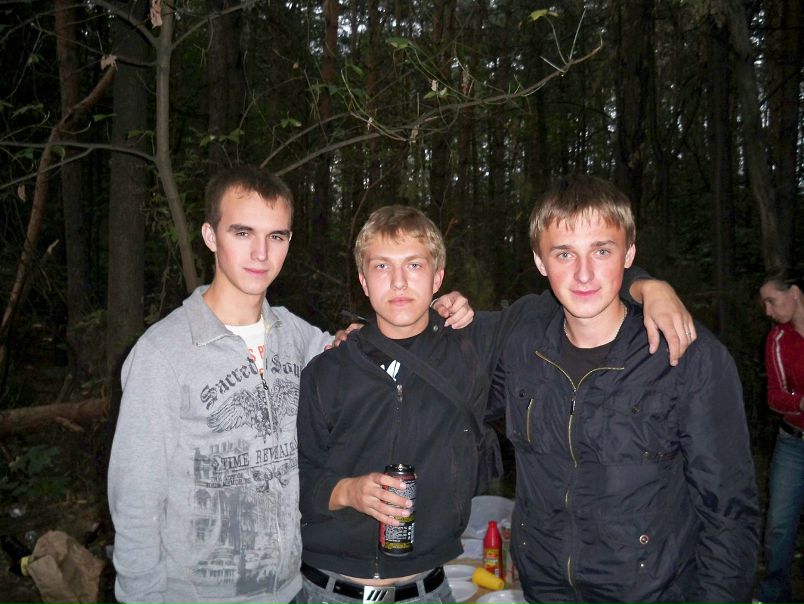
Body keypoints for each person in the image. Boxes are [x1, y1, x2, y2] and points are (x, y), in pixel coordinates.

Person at [106, 167, 472, 604]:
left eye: (276, 236)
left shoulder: (297, 337)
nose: (260, 252)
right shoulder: (163, 353)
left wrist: (439, 307)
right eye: (243, 232)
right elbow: (135, 504)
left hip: (292, 588)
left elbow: (376, 345)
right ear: (210, 236)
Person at [297, 204, 697, 604]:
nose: (399, 281)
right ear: (364, 281)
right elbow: (293, 483)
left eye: (414, 265)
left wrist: (647, 287)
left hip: (428, 591)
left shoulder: (474, 346)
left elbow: (573, 289)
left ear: (437, 277)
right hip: (329, 590)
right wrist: (347, 492)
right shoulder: (327, 370)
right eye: (382, 266)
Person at [489, 175, 760, 603]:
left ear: (628, 254)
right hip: (546, 590)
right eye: (564, 254)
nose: (583, 274)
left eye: (602, 251)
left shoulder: (686, 355)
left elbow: (729, 512)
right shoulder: (522, 343)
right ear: (541, 262)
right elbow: (448, 392)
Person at [754, 273, 804, 604]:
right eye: (765, 304)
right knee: (779, 525)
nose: (769, 311)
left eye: (772, 301)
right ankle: (774, 595)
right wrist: (800, 402)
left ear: (795, 293)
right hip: (793, 444)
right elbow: (775, 396)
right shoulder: (777, 339)